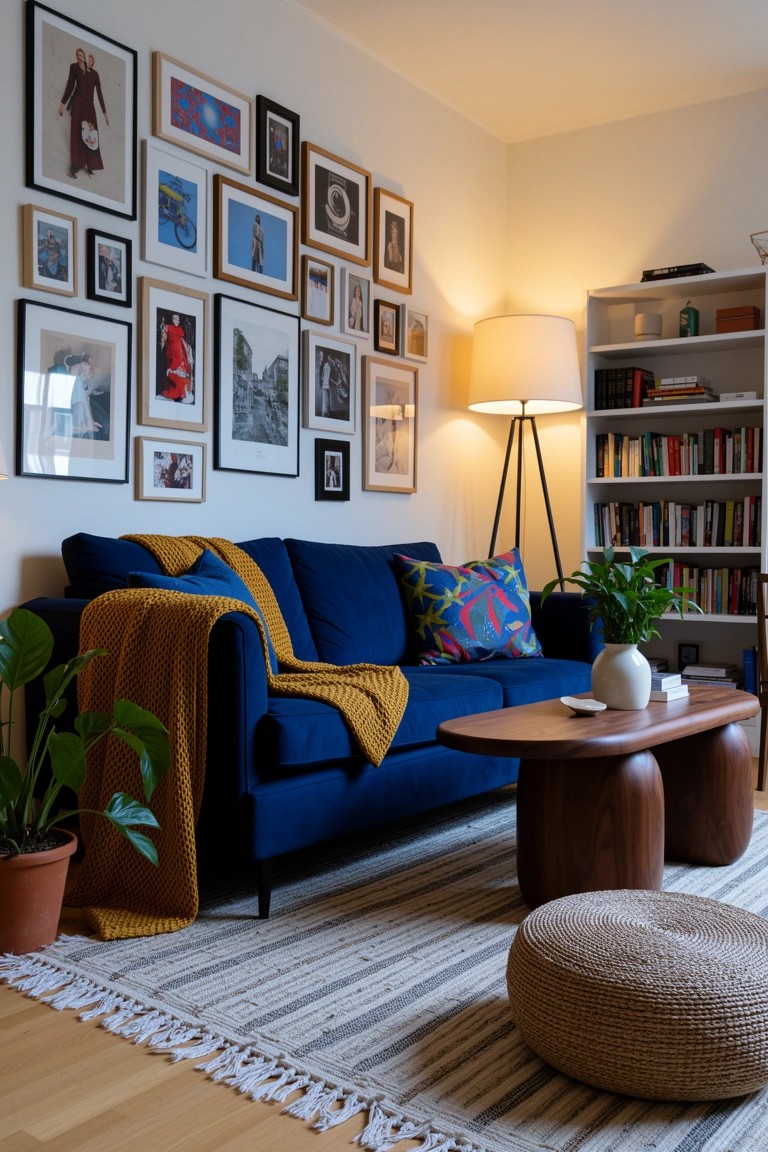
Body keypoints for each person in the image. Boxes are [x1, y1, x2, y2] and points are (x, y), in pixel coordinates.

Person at [58, 48, 109, 179]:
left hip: (89, 106)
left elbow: (100, 94)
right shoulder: (74, 68)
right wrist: (62, 104)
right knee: (76, 133)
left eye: (91, 60)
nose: (87, 60)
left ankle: (90, 164)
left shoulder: (94, 74)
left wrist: (105, 113)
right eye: (79, 55)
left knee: (91, 134)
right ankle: (74, 167)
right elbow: (70, 85)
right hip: (78, 104)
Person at [161, 313, 194, 403]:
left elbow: (180, 339)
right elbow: (164, 337)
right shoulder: (168, 327)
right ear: (172, 319)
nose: (177, 321)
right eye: (175, 319)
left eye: (178, 320)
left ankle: (178, 393)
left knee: (178, 370)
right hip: (172, 350)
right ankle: (172, 392)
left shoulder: (180, 329)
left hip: (179, 351)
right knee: (173, 368)